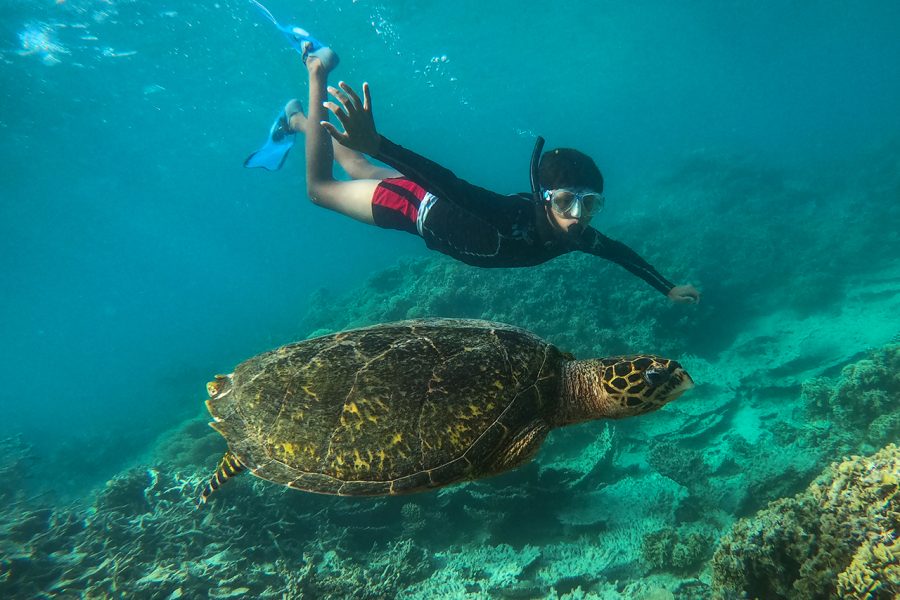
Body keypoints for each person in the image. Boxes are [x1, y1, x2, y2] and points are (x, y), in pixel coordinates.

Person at [250, 38, 700, 304]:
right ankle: (315, 74)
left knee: (353, 161)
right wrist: (382, 144)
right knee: (320, 187)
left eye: (590, 205)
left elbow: (621, 253)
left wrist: (668, 288)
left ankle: (293, 120)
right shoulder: (511, 218)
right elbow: (449, 184)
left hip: (420, 196)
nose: (578, 217)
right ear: (545, 199)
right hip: (411, 206)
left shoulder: (577, 236)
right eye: (566, 202)